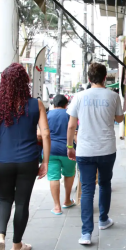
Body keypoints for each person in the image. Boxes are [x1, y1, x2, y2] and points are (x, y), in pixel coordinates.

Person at [66, 63, 124, 245]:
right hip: (107, 149)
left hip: (85, 150)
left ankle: (86, 234)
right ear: (105, 77)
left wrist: (69, 146)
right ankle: (103, 220)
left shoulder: (79, 96)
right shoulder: (113, 96)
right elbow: (119, 118)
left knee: (87, 190)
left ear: (89, 78)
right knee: (105, 184)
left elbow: (71, 125)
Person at [0, 63, 50, 250]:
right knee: (22, 202)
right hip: (28, 161)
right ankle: (17, 245)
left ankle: (1, 236)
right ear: (25, 82)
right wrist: (45, 161)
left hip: (3, 160)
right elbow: (45, 134)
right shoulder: (35, 104)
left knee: (4, 199)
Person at [43, 95, 76, 215]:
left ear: (53, 103)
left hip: (50, 150)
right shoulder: (69, 114)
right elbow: (74, 131)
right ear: (66, 104)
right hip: (67, 150)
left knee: (53, 177)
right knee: (69, 174)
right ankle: (67, 200)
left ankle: (57, 207)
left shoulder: (47, 115)